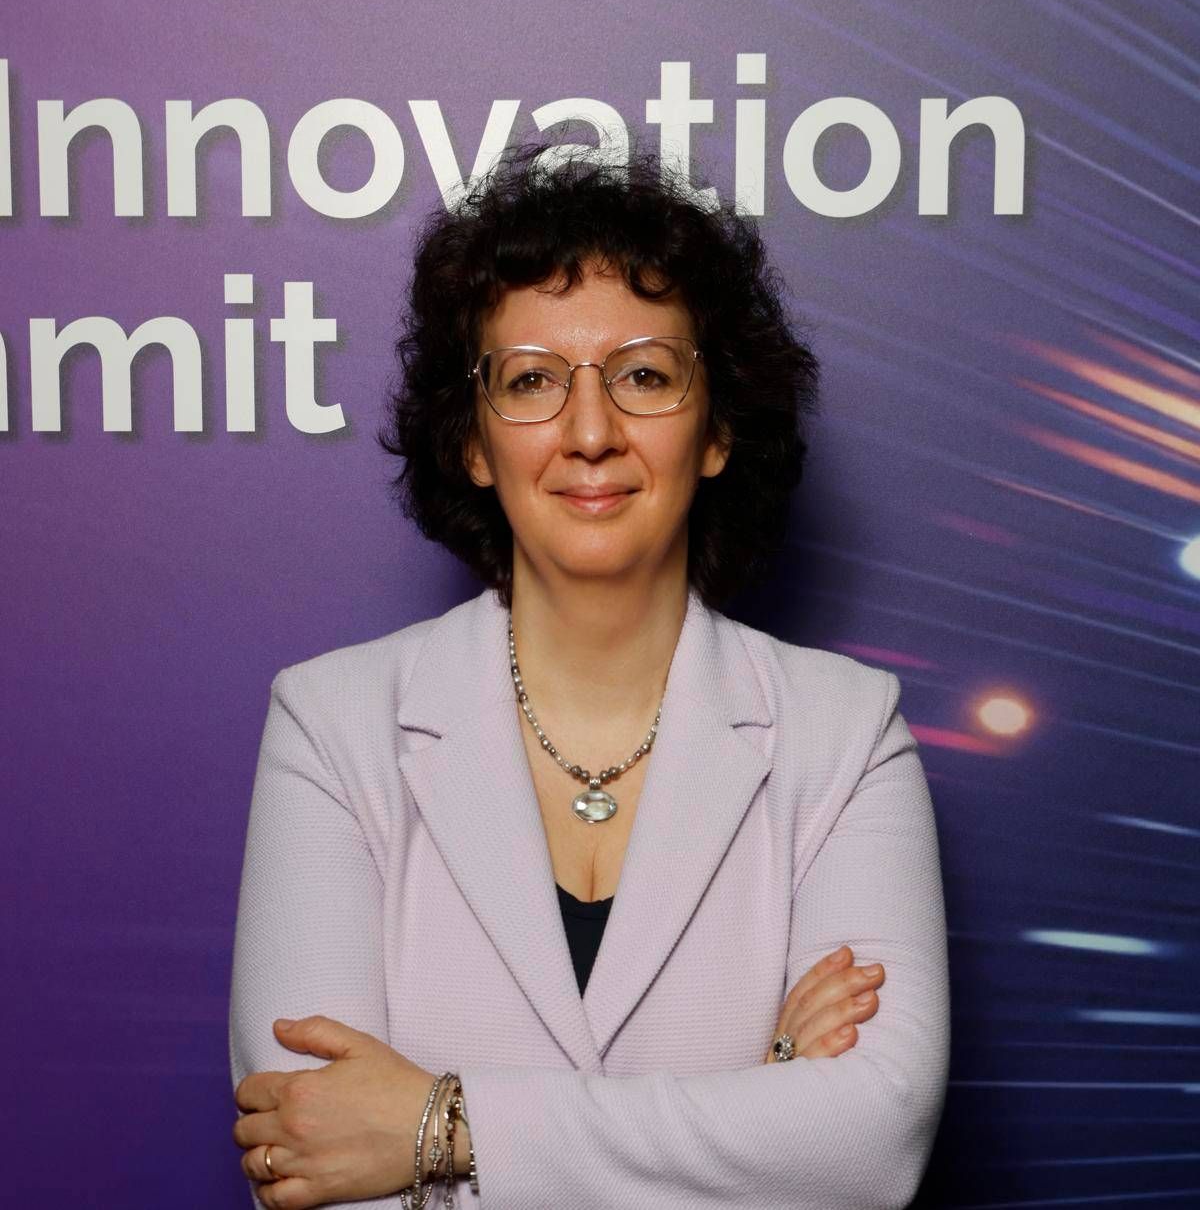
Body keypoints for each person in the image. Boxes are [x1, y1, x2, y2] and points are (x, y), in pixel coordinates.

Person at [228, 139, 950, 1209]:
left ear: (718, 428)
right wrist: (764, 1101)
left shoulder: (847, 731)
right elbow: (308, 1160)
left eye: (644, 374)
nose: (591, 432)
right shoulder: (331, 724)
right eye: (531, 380)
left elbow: (869, 1145)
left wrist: (438, 1125)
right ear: (474, 443)